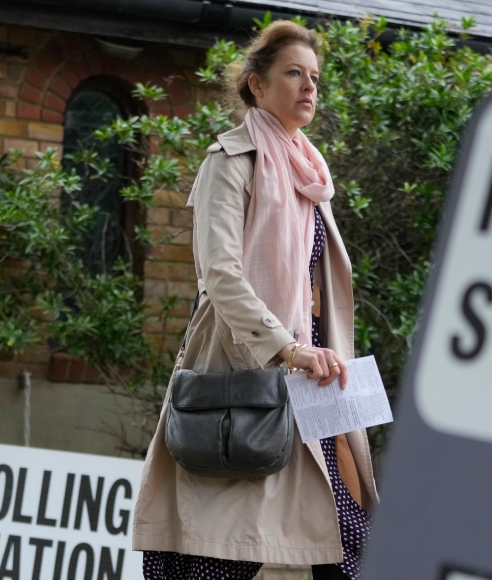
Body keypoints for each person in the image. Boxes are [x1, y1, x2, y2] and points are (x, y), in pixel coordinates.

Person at [132, 20, 378, 580]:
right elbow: (220, 276)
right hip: (245, 371)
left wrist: (311, 334)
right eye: (293, 73)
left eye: (314, 76)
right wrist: (287, 347)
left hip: (312, 379)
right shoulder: (231, 161)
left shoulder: (309, 170)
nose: (309, 86)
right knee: (218, 549)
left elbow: (309, 278)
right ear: (256, 86)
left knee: (348, 539)